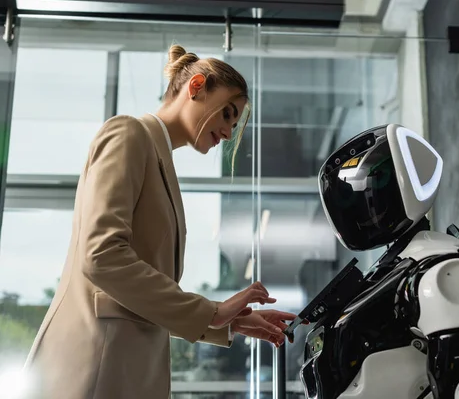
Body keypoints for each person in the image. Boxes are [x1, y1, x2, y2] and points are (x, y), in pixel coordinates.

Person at [20, 44, 297, 399]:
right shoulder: (129, 134)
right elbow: (101, 255)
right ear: (195, 86)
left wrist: (229, 321)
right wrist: (211, 313)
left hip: (119, 366)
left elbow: (141, 293)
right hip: (93, 366)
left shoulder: (159, 158)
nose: (229, 132)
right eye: (228, 114)